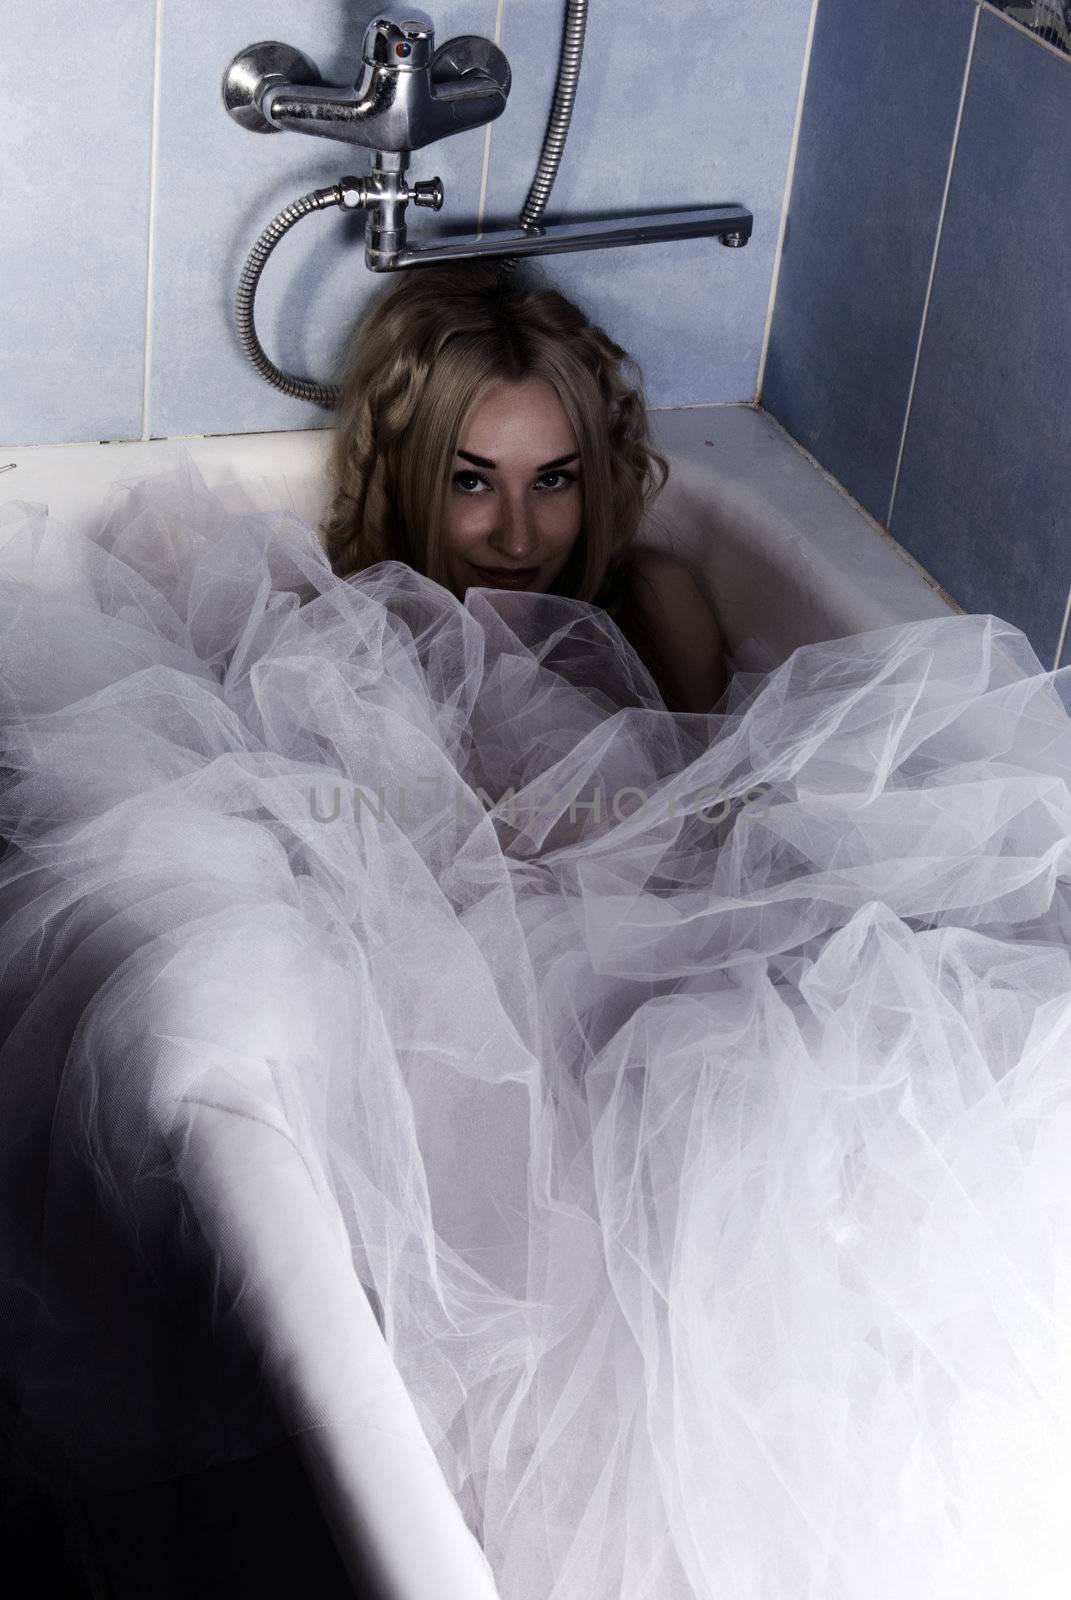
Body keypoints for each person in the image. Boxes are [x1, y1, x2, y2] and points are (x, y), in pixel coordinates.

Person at [1, 259, 1071, 1600]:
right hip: (459, 1000)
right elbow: (315, 831)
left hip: (664, 943)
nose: (517, 529)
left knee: (820, 1166)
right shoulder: (332, 627)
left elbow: (710, 794)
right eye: (472, 478)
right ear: (406, 466)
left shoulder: (656, 598)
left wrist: (615, 839)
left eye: (553, 478)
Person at [319, 261, 730, 713]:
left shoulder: (658, 609)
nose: (518, 542)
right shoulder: (333, 656)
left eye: (552, 480)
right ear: (400, 479)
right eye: (471, 482)